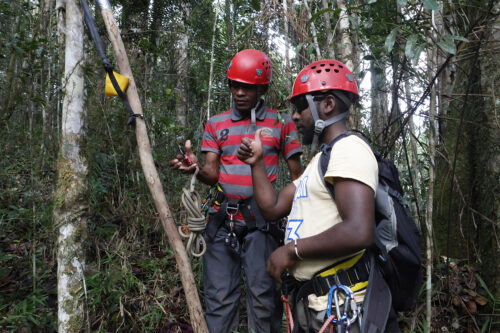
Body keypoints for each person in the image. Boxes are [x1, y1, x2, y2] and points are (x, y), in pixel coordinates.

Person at [238, 59, 394, 332]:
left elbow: (359, 230)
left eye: (300, 107)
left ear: (328, 104)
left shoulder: (349, 150)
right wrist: (257, 163)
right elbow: (273, 207)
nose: (295, 116)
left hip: (342, 308)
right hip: (318, 306)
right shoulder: (322, 160)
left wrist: (291, 250)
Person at [169, 49, 303, 333]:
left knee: (265, 300)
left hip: (263, 225)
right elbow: (212, 173)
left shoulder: (281, 122)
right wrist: (194, 166)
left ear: (262, 88)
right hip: (221, 224)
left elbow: (297, 177)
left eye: (248, 87)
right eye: (235, 85)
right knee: (219, 300)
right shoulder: (216, 124)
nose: (240, 93)